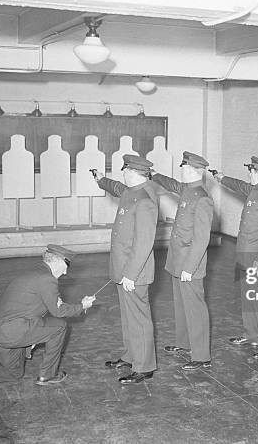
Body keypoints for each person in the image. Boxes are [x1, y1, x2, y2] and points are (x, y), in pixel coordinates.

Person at [0, 244, 96, 395]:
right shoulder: (47, 279)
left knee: (14, 373)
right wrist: (82, 305)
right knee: (59, 326)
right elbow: (58, 311)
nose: (66, 271)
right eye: (66, 265)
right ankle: (47, 375)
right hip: (14, 333)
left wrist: (35, 336)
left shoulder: (36, 272)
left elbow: (46, 302)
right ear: (56, 261)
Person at [93, 154, 159, 383]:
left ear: (133, 172)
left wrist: (131, 274)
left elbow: (144, 242)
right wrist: (102, 180)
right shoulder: (132, 191)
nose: (123, 173)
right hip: (123, 267)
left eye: (125, 170)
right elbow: (117, 187)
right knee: (128, 317)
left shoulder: (145, 200)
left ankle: (144, 366)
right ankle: (131, 356)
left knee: (139, 319)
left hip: (134, 271)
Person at [214, 157, 258, 359]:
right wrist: (222, 178)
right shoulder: (255, 189)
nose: (248, 175)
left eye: (250, 171)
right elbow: (239, 185)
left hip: (257, 259)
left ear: (257, 172)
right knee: (247, 298)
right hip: (245, 255)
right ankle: (252, 335)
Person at [151, 152, 214, 370]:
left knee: (195, 308)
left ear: (195, 171)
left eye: (184, 169)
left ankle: (201, 355)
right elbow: (171, 184)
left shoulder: (202, 198)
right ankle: (184, 343)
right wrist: (154, 175)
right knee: (181, 305)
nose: (181, 172)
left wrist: (189, 267)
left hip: (190, 263)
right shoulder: (188, 189)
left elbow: (201, 238)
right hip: (177, 259)